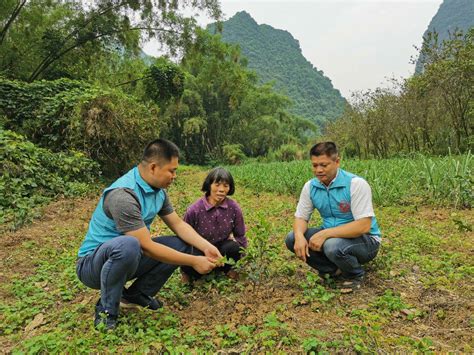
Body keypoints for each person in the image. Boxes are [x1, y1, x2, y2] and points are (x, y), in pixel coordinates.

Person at [76, 139, 222, 329]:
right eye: (172, 170)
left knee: (180, 243)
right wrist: (193, 261)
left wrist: (206, 247)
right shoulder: (123, 195)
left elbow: (178, 224)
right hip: (93, 265)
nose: (174, 176)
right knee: (129, 244)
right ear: (153, 167)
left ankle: (136, 295)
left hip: (128, 256)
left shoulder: (158, 191)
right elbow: (145, 246)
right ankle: (107, 310)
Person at [285, 142, 381, 292]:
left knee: (332, 245)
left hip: (366, 241)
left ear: (337, 162)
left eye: (324, 165)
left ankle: (354, 274)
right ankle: (332, 270)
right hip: (334, 237)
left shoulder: (355, 184)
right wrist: (299, 236)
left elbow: (363, 225)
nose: (319, 170)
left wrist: (325, 234)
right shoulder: (310, 187)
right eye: (315, 165)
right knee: (291, 238)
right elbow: (301, 218)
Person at [181, 167, 247, 281]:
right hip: (200, 250)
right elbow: (184, 236)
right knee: (189, 253)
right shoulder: (194, 210)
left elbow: (240, 235)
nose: (221, 189)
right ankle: (192, 274)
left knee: (234, 247)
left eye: (226, 186)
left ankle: (226, 270)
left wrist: (243, 257)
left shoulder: (234, 208)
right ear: (209, 185)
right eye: (217, 184)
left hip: (221, 251)